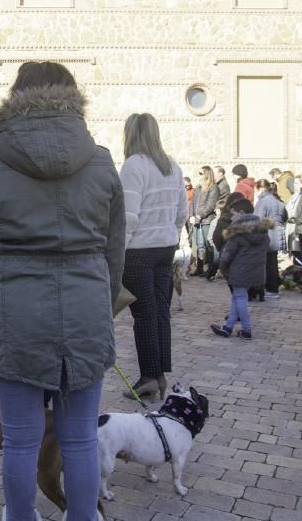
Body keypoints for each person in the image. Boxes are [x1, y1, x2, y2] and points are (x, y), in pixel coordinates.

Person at [0, 62, 124, 521]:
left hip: (15, 306)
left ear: (15, 99)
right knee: (78, 437)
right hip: (85, 305)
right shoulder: (100, 160)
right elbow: (115, 249)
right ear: (72, 98)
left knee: (20, 438)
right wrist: (101, 302)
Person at [119, 113, 186, 402]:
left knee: (144, 315)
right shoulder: (173, 165)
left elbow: (128, 217)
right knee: (160, 312)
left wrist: (118, 253)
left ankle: (149, 377)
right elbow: (181, 212)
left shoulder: (134, 165)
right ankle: (159, 374)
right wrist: (171, 236)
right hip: (165, 246)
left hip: (138, 250)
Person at [210, 199, 271, 340]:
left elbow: (227, 255)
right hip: (256, 270)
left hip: (239, 270)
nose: (232, 217)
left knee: (240, 298)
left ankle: (246, 329)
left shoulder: (237, 232)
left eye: (234, 214)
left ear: (241, 213)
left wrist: (223, 268)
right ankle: (227, 327)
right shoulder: (263, 231)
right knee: (237, 298)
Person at [253, 180, 287, 299]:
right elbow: (285, 216)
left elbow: (258, 220)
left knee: (268, 264)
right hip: (278, 234)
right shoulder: (278, 201)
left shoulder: (262, 202)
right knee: (273, 262)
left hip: (267, 235)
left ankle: (271, 289)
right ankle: (274, 286)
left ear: (261, 189)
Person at [189, 166, 218, 278]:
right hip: (196, 220)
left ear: (207, 174)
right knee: (198, 245)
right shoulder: (198, 188)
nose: (199, 175)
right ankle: (199, 267)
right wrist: (191, 215)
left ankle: (210, 269)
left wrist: (200, 215)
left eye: (201, 173)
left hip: (206, 220)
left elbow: (210, 204)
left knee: (208, 244)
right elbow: (192, 202)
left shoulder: (213, 188)